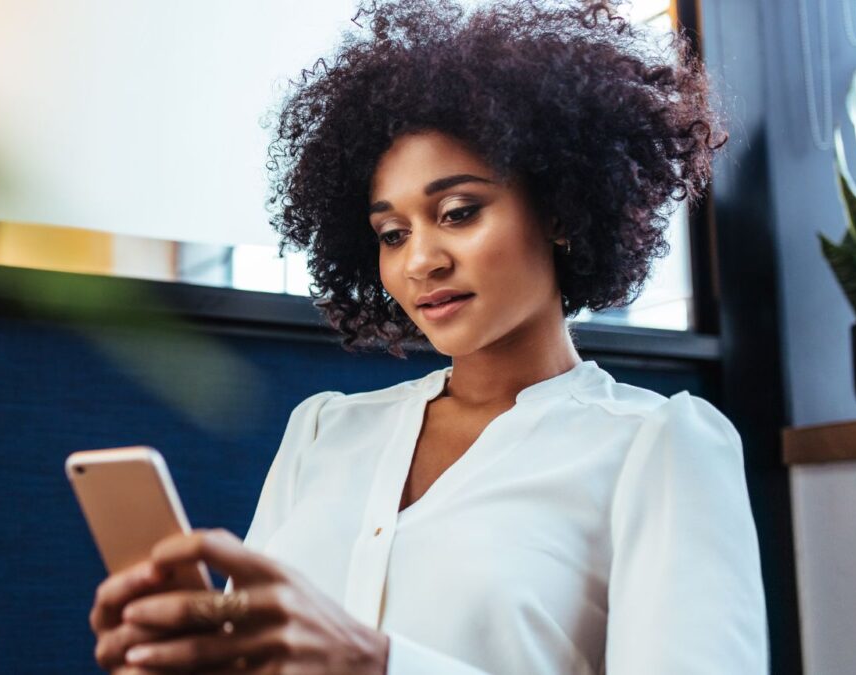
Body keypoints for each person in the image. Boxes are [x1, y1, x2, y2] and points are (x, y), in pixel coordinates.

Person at [89, 0, 769, 672]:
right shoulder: (324, 431)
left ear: (561, 210)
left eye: (458, 211)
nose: (420, 261)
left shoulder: (658, 447)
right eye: (393, 233)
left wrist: (376, 662)